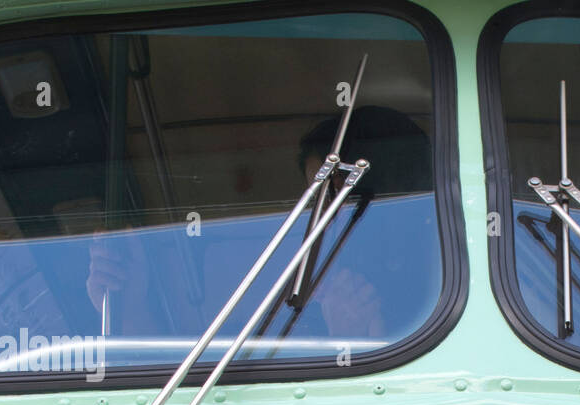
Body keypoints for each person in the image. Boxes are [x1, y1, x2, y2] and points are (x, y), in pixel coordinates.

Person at [88, 105, 432, 344]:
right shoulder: (306, 283)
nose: (322, 220)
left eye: (339, 198)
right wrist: (130, 305)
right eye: (315, 203)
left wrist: (351, 339)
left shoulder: (441, 287)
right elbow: (214, 382)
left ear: (392, 197)